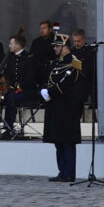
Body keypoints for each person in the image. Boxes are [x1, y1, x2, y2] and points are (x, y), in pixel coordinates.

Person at [41, 34, 87, 181]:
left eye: (57, 46)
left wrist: (51, 92)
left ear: (65, 47)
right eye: (54, 46)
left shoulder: (74, 62)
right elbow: (49, 78)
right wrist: (43, 90)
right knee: (58, 141)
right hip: (55, 106)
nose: (54, 48)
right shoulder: (56, 62)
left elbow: (68, 83)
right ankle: (62, 171)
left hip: (68, 106)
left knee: (67, 141)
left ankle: (69, 173)